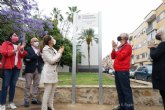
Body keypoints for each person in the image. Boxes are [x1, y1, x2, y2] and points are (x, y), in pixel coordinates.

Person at [0, 33, 27, 110]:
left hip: (16, 68)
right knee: (5, 86)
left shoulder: (18, 45)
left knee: (13, 86)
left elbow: (22, 56)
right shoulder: (5, 43)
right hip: (7, 68)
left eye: (16, 35)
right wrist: (16, 49)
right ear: (10, 36)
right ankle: (2, 104)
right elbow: (4, 53)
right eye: (14, 35)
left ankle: (11, 102)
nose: (16, 37)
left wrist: (22, 49)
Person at [40, 35, 64, 110]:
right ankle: (44, 108)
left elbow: (57, 59)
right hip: (48, 72)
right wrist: (59, 53)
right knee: (47, 91)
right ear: (49, 41)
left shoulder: (53, 49)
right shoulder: (45, 49)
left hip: (54, 71)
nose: (54, 39)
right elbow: (51, 60)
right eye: (52, 39)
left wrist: (58, 54)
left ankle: (50, 106)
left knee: (52, 91)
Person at [111, 33, 134, 110]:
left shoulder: (128, 46)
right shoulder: (120, 47)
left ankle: (129, 107)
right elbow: (113, 56)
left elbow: (121, 56)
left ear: (124, 37)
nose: (119, 36)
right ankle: (122, 106)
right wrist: (113, 48)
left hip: (123, 70)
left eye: (120, 35)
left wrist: (116, 49)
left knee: (125, 90)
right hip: (117, 70)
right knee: (119, 89)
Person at [24, 37, 43, 107]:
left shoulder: (39, 50)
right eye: (35, 41)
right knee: (28, 85)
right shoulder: (28, 49)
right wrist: (36, 54)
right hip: (29, 70)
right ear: (31, 42)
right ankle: (26, 100)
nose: (36, 42)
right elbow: (27, 59)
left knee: (36, 85)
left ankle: (34, 99)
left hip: (38, 69)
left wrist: (41, 55)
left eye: (37, 41)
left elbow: (42, 60)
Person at [149, 27, 165, 110]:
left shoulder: (163, 44)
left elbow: (154, 56)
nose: (157, 35)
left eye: (158, 33)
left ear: (161, 34)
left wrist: (151, 47)